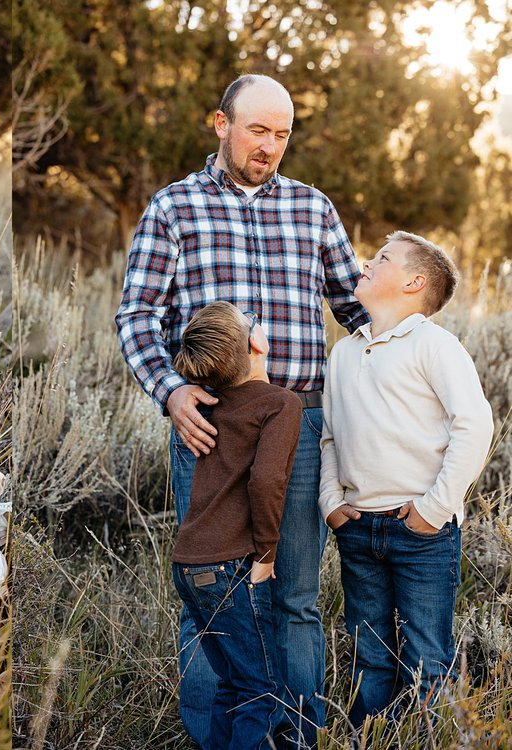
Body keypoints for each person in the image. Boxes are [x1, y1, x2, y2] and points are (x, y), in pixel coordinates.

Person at [116, 74, 369, 745]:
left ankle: (294, 735)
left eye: (282, 134)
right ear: (221, 124)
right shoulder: (175, 208)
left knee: (294, 596)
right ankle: (217, 737)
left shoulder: (313, 209)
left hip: (299, 423)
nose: (270, 146)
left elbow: (357, 307)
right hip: (211, 428)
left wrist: (417, 333)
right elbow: (138, 313)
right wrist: (170, 390)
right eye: (258, 129)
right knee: (214, 591)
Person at [319, 231, 493, 727]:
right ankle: (367, 737)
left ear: (414, 282)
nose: (367, 262)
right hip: (356, 527)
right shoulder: (344, 353)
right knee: (370, 655)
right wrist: (331, 501)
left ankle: (426, 736)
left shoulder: (434, 345)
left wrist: (433, 509)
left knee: (426, 660)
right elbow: (329, 436)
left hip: (421, 532)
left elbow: (475, 424)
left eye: (383, 258)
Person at [171, 301, 301, 749]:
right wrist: (266, 554)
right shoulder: (281, 403)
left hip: (188, 565)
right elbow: (267, 480)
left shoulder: (210, 403)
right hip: (229, 568)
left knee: (232, 685)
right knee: (260, 692)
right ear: (257, 342)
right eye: (254, 321)